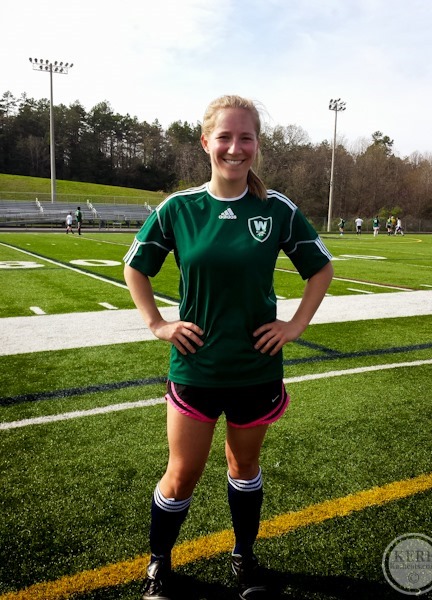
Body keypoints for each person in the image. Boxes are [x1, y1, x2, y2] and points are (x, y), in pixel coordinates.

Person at [123, 95, 333, 600]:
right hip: (196, 368)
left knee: (244, 469)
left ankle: (244, 559)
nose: (235, 148)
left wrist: (294, 326)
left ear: (257, 144)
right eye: (225, 137)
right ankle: (159, 564)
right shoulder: (179, 208)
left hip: (256, 369)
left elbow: (320, 269)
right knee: (182, 474)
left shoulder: (276, 209)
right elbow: (135, 266)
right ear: (206, 142)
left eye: (246, 138)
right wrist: (157, 324)